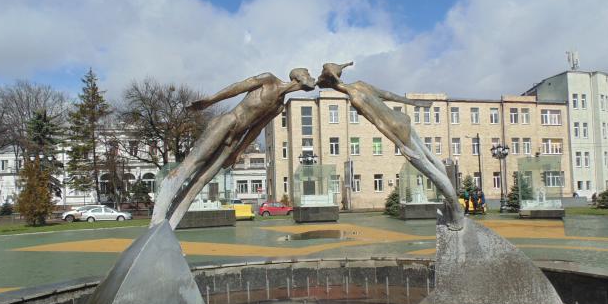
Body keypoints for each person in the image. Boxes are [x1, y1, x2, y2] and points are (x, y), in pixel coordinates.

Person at [151, 68, 316, 229]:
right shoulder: (269, 80)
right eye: (308, 74)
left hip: (234, 140)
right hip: (228, 122)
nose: (312, 78)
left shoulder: (279, 107)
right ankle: (157, 218)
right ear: (299, 76)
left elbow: (256, 129)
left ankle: (168, 227)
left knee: (202, 180)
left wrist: (238, 152)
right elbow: (237, 88)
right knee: (192, 164)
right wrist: (210, 100)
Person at [317, 62, 465, 229]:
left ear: (330, 83)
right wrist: (413, 103)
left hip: (397, 129)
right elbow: (388, 94)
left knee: (430, 171)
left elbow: (379, 123)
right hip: (402, 119)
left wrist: (400, 145)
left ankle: (457, 212)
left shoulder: (355, 98)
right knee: (433, 160)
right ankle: (452, 204)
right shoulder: (360, 84)